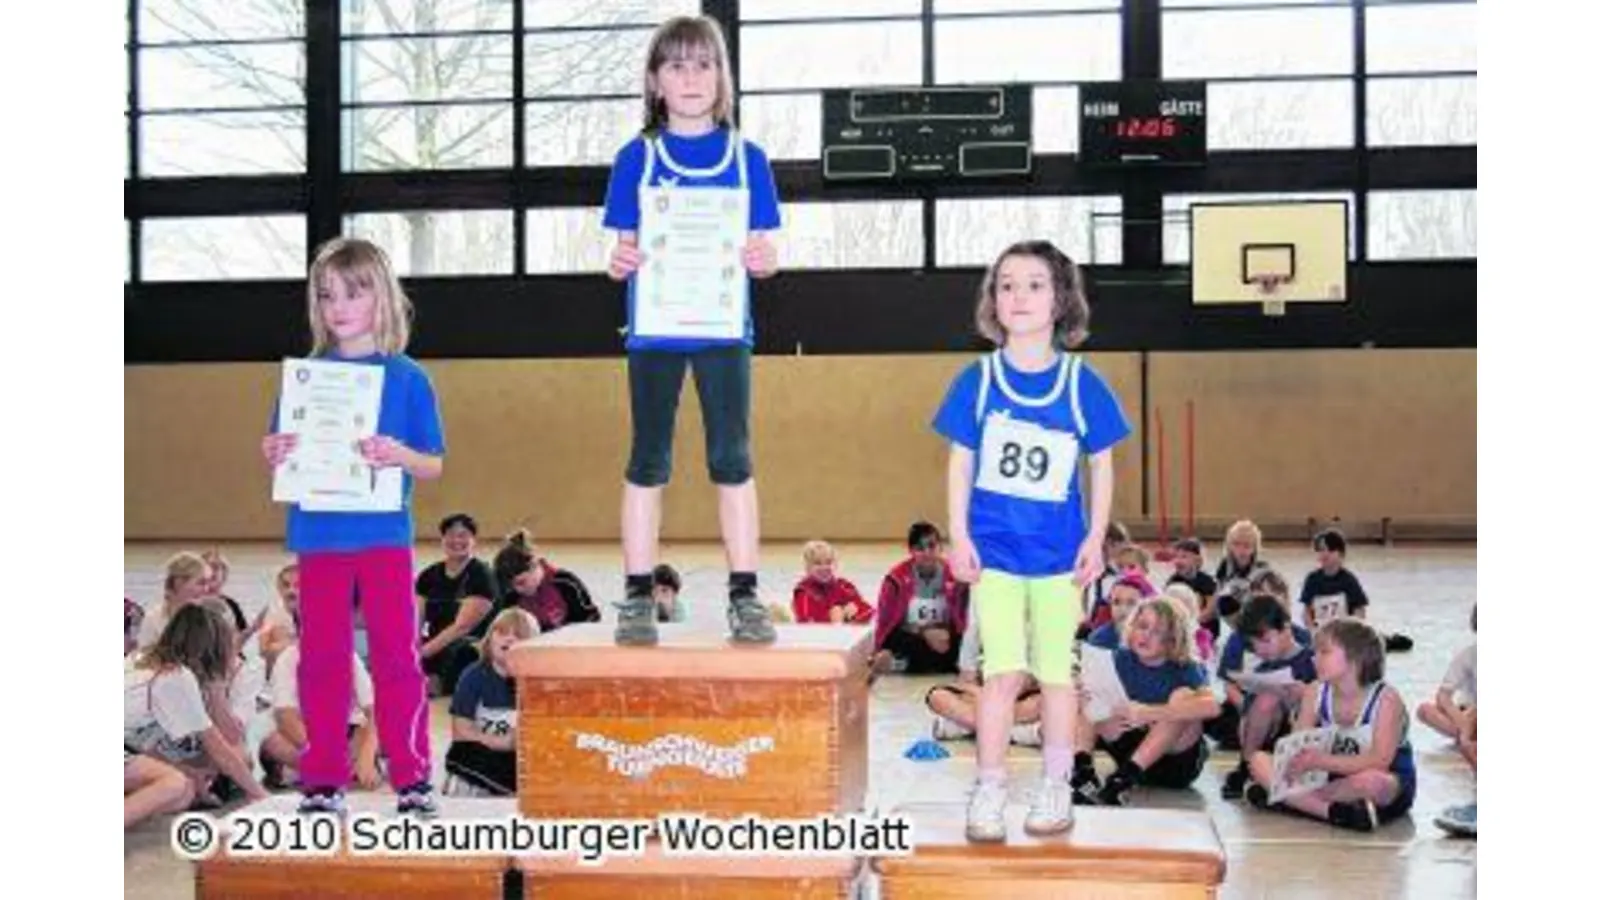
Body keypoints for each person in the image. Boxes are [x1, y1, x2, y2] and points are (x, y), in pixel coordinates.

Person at [932, 239, 1131, 840]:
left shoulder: (1081, 382)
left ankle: (1056, 786)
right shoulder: (978, 379)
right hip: (993, 554)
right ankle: (989, 788)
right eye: (1007, 284)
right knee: (999, 676)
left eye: (1035, 284)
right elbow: (959, 464)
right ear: (993, 300)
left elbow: (1102, 464)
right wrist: (959, 536)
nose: (1019, 296)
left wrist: (1096, 538)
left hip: (1057, 558)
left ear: (1061, 299)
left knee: (1055, 676)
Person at [602, 14, 783, 647]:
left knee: (732, 459)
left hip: (723, 331)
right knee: (648, 458)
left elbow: (764, 251)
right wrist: (618, 260)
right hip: (654, 332)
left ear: (722, 78)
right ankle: (634, 595)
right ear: (654, 81)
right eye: (675, 65)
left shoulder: (748, 159)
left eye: (703, 63)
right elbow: (623, 249)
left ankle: (745, 593)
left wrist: (765, 260)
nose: (690, 76)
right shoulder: (636, 158)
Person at [260, 236, 446, 817]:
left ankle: (412, 777)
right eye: (326, 295)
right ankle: (322, 781)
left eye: (353, 292)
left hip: (384, 536)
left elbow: (433, 463)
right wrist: (274, 448)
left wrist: (399, 454)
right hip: (319, 537)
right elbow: (281, 452)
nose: (338, 306)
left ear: (381, 298)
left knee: (396, 657)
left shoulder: (409, 377)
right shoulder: (306, 379)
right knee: (322, 660)